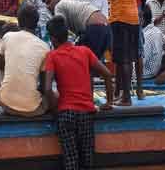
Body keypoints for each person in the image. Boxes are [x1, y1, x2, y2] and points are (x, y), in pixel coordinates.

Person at [44, 16, 113, 170]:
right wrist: (109, 102)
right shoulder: (85, 51)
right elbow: (108, 74)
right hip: (86, 113)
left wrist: (55, 110)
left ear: (53, 39)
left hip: (66, 113)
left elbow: (48, 88)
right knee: (87, 160)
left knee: (71, 161)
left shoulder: (52, 56)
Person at [104, 0, 143, 104]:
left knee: (122, 59)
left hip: (119, 16)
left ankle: (126, 97)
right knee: (129, 57)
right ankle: (121, 94)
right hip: (134, 17)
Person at [0, 4, 50, 116]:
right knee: (50, 99)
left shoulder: (8, 36)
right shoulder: (45, 47)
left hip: (4, 101)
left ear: (18, 21)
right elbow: (44, 87)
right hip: (31, 108)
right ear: (36, 23)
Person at [43, 0, 111, 60]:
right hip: (106, 28)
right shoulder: (70, 3)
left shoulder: (59, 5)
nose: (47, 6)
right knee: (94, 63)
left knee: (81, 62)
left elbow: (59, 30)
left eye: (49, 1)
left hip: (95, 29)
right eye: (46, 4)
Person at [140, 4, 165, 80]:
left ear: (141, 19)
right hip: (153, 73)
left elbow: (140, 63)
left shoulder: (146, 36)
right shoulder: (156, 30)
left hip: (144, 76)